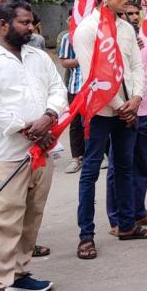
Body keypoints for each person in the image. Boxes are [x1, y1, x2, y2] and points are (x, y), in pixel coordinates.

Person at [0, 0, 68, 291]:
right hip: (7, 153)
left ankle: (20, 273)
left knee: (32, 216)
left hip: (42, 151)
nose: (31, 28)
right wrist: (29, 128)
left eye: (31, 23)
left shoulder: (38, 56)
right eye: (24, 23)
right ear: (2, 25)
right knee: (3, 220)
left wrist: (49, 116)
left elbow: (58, 89)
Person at [74, 0, 147, 261]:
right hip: (100, 112)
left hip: (127, 111)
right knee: (90, 173)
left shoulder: (125, 27)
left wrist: (135, 100)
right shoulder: (86, 30)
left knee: (125, 168)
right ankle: (86, 236)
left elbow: (137, 66)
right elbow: (92, 76)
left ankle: (126, 225)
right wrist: (122, 104)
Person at [106, 0, 147, 235]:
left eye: (135, 13)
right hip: (122, 113)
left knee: (141, 166)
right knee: (118, 168)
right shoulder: (111, 44)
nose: (132, 17)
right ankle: (117, 219)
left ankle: (139, 212)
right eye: (127, 13)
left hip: (144, 113)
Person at [57, 18, 84, 174]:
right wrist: (83, 59)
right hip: (75, 87)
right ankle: (77, 157)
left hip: (94, 87)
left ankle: (97, 155)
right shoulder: (69, 38)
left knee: (94, 122)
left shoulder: (96, 34)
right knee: (75, 124)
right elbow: (64, 62)